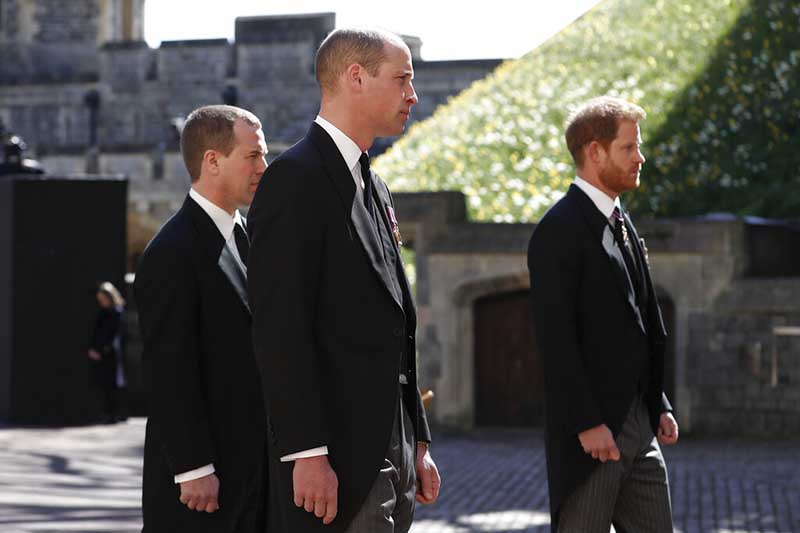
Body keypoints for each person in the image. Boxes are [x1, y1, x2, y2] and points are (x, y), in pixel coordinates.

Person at [247, 28, 441, 533]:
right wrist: (306, 453)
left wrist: (416, 442)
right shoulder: (294, 179)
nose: (413, 95)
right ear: (356, 77)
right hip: (336, 454)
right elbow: (280, 327)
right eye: (402, 79)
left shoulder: (373, 183)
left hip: (391, 445)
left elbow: (395, 318)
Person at [527, 96, 679, 532]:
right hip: (592, 438)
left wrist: (658, 402)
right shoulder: (558, 231)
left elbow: (643, 317)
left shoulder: (622, 221)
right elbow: (557, 340)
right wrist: (588, 423)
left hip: (640, 425)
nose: (640, 158)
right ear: (595, 152)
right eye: (629, 148)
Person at [134, 105, 269, 532]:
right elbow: (168, 369)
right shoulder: (171, 252)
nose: (263, 167)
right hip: (200, 489)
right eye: (252, 156)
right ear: (212, 160)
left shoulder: (245, 235)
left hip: (251, 475)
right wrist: (193, 468)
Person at [88, 281, 126, 423]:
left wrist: (102, 349)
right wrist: (93, 348)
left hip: (112, 353)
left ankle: (116, 413)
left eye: (103, 299)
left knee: (115, 383)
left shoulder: (116, 313)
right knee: (105, 384)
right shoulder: (103, 313)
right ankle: (108, 413)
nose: (101, 302)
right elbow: (97, 332)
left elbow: (113, 334)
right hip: (102, 353)